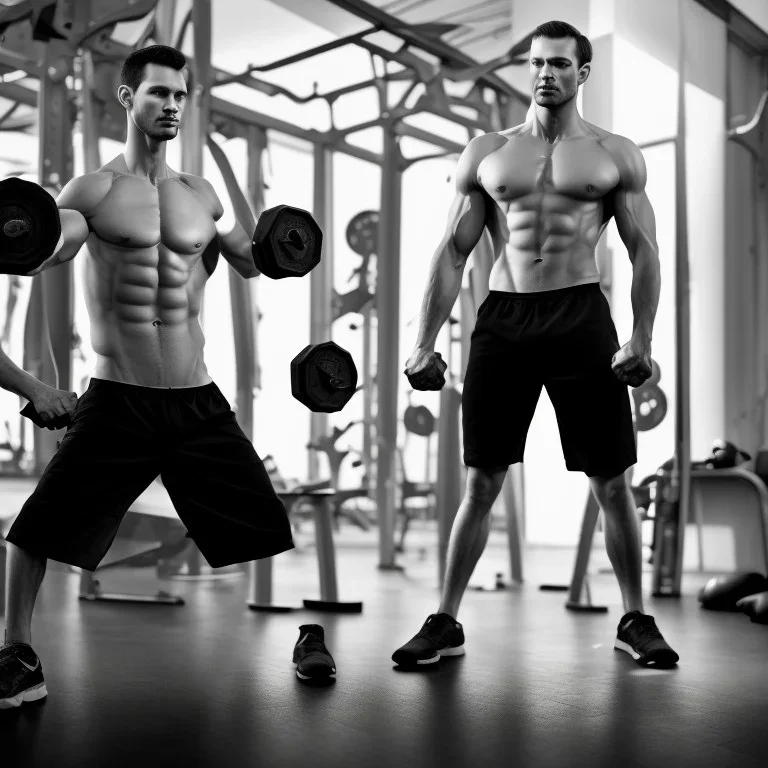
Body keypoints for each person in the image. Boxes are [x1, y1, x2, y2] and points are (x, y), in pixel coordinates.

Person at [0, 45, 295, 709]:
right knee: (34, 530)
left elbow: (250, 261)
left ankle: (307, 635)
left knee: (267, 523)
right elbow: (57, 239)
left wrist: (278, 243)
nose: (169, 106)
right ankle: (16, 653)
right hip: (119, 398)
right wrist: (28, 235)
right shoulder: (95, 189)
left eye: (179, 96)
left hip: (196, 397)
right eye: (157, 93)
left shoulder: (200, 194)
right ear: (127, 98)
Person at [395, 20, 679, 669]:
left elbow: (645, 253)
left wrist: (640, 337)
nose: (545, 73)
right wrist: (422, 343)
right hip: (503, 319)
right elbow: (452, 254)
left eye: (559, 63)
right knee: (481, 480)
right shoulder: (488, 153)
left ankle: (634, 618)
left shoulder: (615, 153)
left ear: (582, 73)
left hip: (582, 315)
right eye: (537, 63)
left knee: (612, 480)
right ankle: (445, 620)